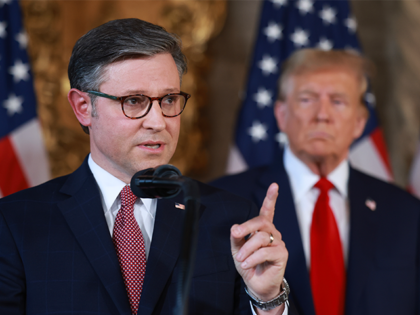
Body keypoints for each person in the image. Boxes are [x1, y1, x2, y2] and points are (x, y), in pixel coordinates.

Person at [0, 19, 290, 315]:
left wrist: (267, 300)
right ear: (84, 108)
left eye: (168, 99)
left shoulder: (232, 219)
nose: (158, 121)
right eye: (134, 101)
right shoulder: (15, 223)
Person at [212, 49, 420, 315]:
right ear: (281, 115)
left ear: (359, 122)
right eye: (307, 99)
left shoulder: (407, 213)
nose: (322, 114)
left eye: (338, 101)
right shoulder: (223, 202)